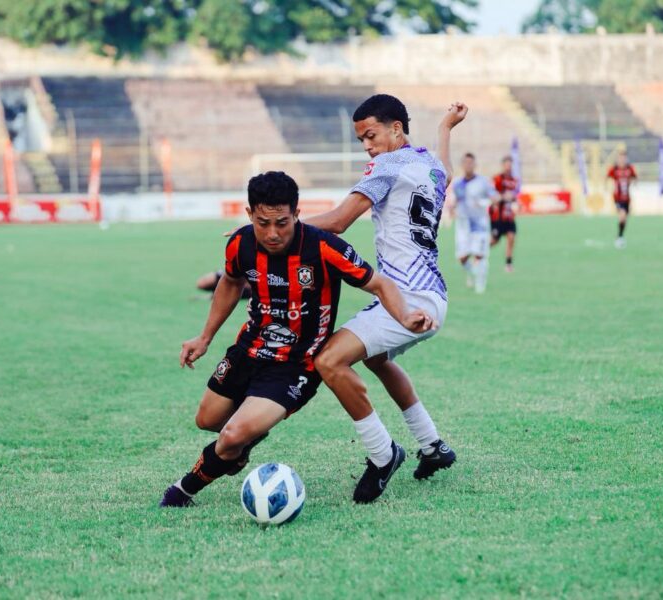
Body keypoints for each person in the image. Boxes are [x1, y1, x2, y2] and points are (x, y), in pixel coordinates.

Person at [160, 171, 435, 508]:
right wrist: (204, 337)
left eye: (282, 222)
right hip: (249, 349)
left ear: (297, 214)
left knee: (230, 437)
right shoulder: (240, 243)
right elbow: (231, 283)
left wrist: (406, 317)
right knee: (209, 421)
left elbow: (379, 284)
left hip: (295, 366)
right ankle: (242, 443)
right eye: (263, 223)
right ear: (249, 215)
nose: (272, 233)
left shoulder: (322, 246)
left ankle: (181, 491)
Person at [304, 94, 467, 503]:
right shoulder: (428, 164)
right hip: (431, 296)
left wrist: (270, 228)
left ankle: (383, 454)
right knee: (376, 359)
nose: (367, 147)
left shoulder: (387, 165)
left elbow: (339, 222)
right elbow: (447, 169)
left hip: (407, 298)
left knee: (328, 360)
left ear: (397, 129)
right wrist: (445, 128)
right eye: (362, 139)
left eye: (371, 135)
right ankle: (433, 446)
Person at [452, 153, 497, 294]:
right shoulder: (457, 184)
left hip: (480, 224)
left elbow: (494, 198)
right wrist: (452, 208)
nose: (468, 165)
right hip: (463, 225)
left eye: (471, 163)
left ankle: (480, 285)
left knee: (479, 254)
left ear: (475, 164)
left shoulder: (483, 182)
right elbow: (458, 201)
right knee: (462, 257)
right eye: (466, 163)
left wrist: (484, 203)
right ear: (462, 165)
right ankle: (473, 273)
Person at [490, 156, 518, 272]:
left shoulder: (514, 180)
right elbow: (492, 196)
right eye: (507, 165)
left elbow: (514, 196)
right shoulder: (497, 179)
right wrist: (502, 197)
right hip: (497, 217)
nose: (509, 167)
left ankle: (508, 264)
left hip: (509, 216)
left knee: (511, 237)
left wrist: (514, 199)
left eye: (510, 165)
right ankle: (479, 254)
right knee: (494, 241)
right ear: (503, 166)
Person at [607, 149, 637, 249]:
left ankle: (620, 236)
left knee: (624, 220)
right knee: (622, 215)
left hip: (627, 198)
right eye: (620, 158)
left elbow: (635, 177)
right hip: (617, 198)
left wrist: (633, 182)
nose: (622, 160)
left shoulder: (630, 169)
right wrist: (607, 187)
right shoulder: (614, 169)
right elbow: (607, 177)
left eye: (624, 158)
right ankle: (619, 238)